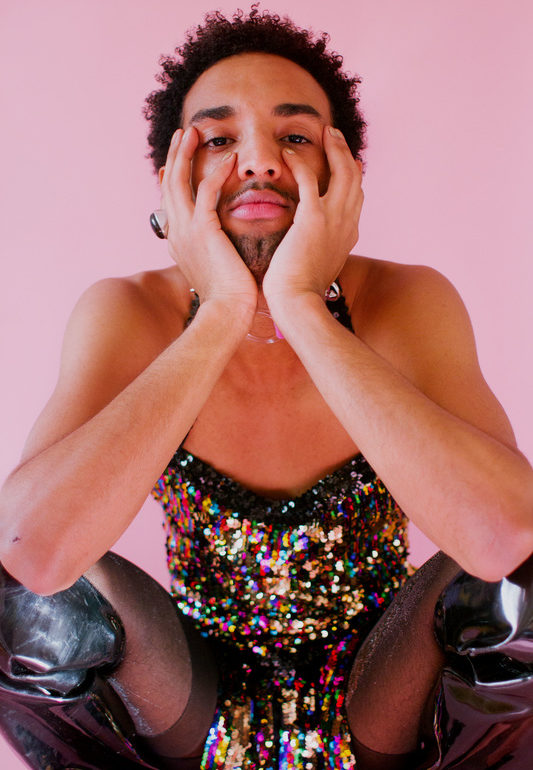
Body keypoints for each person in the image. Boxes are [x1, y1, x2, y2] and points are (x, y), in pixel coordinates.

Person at [0, 7, 532, 770]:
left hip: (383, 695)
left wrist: (301, 305)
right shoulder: (127, 311)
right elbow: (32, 552)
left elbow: (501, 542)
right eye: (218, 140)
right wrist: (220, 310)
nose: (257, 160)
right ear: (171, 180)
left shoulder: (408, 302)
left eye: (295, 136)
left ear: (343, 172)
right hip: (189, 700)